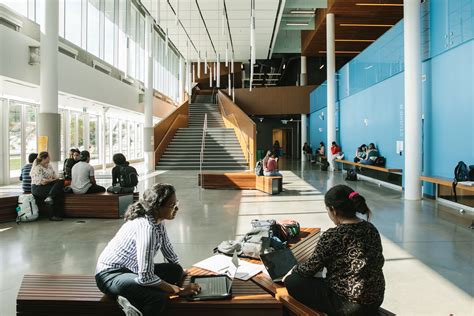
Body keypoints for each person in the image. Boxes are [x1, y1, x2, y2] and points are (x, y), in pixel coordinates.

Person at [95, 183, 200, 316]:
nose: (176, 208)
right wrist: (178, 290)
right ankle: (131, 302)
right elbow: (146, 277)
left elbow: (168, 249)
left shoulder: (158, 221)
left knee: (176, 271)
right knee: (157, 298)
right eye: (171, 205)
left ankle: (130, 298)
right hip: (111, 275)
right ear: (157, 207)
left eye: (176, 203)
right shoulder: (146, 229)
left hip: (131, 270)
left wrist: (181, 271)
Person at [284, 185, 385, 315]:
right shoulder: (371, 228)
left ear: (333, 210)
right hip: (375, 298)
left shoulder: (332, 235)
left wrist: (294, 270)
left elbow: (309, 268)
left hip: (349, 305)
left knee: (292, 281)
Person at [30, 151, 65, 221]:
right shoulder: (38, 168)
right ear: (44, 158)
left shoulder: (49, 166)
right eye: (48, 157)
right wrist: (52, 180)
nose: (50, 158)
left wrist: (55, 179)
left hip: (48, 185)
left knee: (60, 182)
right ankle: (52, 214)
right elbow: (42, 182)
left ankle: (50, 197)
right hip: (38, 188)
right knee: (57, 192)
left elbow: (55, 176)